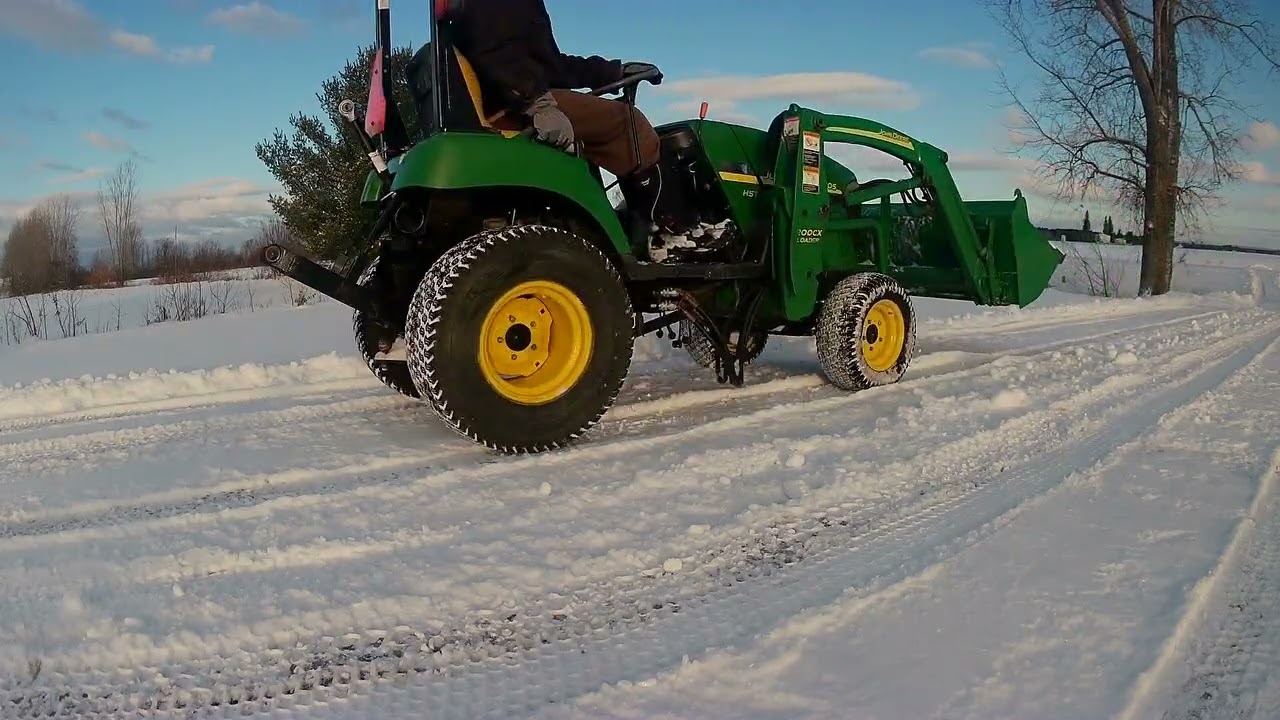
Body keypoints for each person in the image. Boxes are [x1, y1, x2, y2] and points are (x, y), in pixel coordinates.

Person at [446, 0, 693, 247]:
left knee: (597, 126)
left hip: (515, 96)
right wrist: (535, 103)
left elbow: (552, 66)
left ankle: (616, 233)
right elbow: (491, 52)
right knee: (630, 124)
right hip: (514, 103)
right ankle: (665, 233)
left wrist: (614, 71)